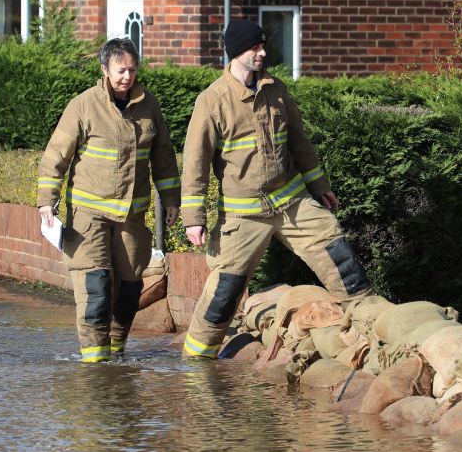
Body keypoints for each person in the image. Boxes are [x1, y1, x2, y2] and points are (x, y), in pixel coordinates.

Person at [179, 19, 374, 359]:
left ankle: (375, 325)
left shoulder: (277, 90)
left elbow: (300, 143)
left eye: (263, 46)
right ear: (237, 50)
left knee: (340, 255)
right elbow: (195, 165)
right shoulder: (211, 102)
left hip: (292, 204)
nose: (263, 52)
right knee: (225, 289)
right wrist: (193, 219)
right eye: (256, 47)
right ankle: (196, 359)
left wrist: (320, 186)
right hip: (244, 216)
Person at [38, 37, 180, 363]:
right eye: (120, 70)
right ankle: (94, 362)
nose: (126, 76)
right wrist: (48, 199)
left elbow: (163, 158)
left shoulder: (149, 106)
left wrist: (171, 198)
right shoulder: (84, 106)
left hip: (132, 212)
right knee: (96, 286)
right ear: (104, 70)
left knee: (130, 287)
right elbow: (56, 155)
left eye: (132, 69)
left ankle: (116, 350)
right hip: (89, 213)